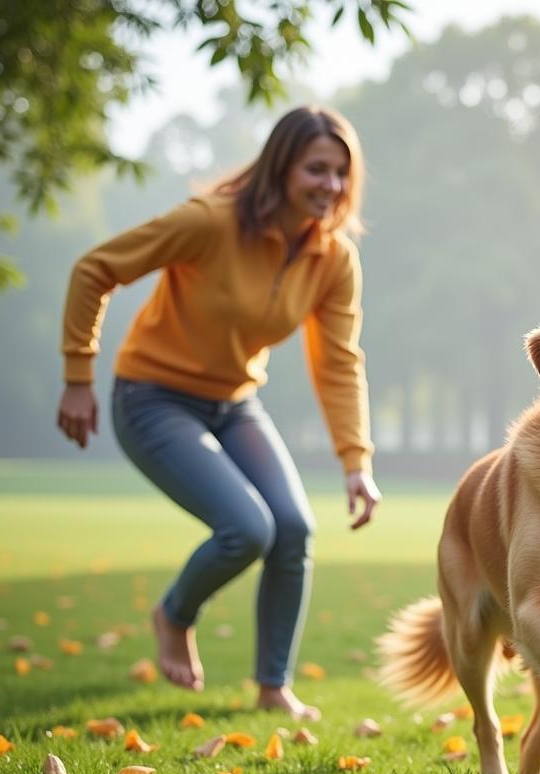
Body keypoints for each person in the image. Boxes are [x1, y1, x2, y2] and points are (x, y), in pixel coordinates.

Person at [56, 105, 380, 719]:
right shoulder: (210, 222)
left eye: (341, 173)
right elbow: (94, 270)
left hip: (233, 403)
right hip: (151, 396)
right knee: (247, 528)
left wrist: (355, 462)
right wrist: (78, 376)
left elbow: (338, 361)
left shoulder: (333, 258)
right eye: (317, 169)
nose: (331, 186)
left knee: (293, 529)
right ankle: (174, 614)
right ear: (281, 167)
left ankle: (272, 686)